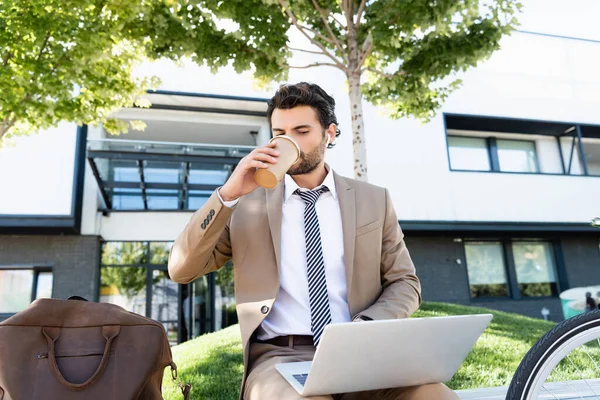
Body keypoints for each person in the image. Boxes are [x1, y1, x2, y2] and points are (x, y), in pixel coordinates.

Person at [168, 82, 458, 400]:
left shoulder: (374, 200)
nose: (288, 141)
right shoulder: (246, 205)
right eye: (280, 132)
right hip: (279, 357)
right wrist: (228, 195)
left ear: (329, 133)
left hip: (364, 351)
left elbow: (405, 282)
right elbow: (181, 270)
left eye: (302, 130)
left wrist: (368, 325)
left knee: (435, 395)